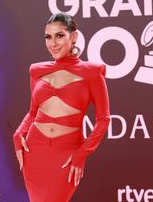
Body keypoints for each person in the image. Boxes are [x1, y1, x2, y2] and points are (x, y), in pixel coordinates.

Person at [13, 12, 110, 202]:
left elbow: (103, 119)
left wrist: (81, 154)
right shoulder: (36, 71)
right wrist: (18, 133)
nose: (52, 43)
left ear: (73, 36)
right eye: (48, 37)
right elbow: (33, 111)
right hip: (34, 151)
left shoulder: (92, 72)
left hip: (67, 154)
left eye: (59, 35)